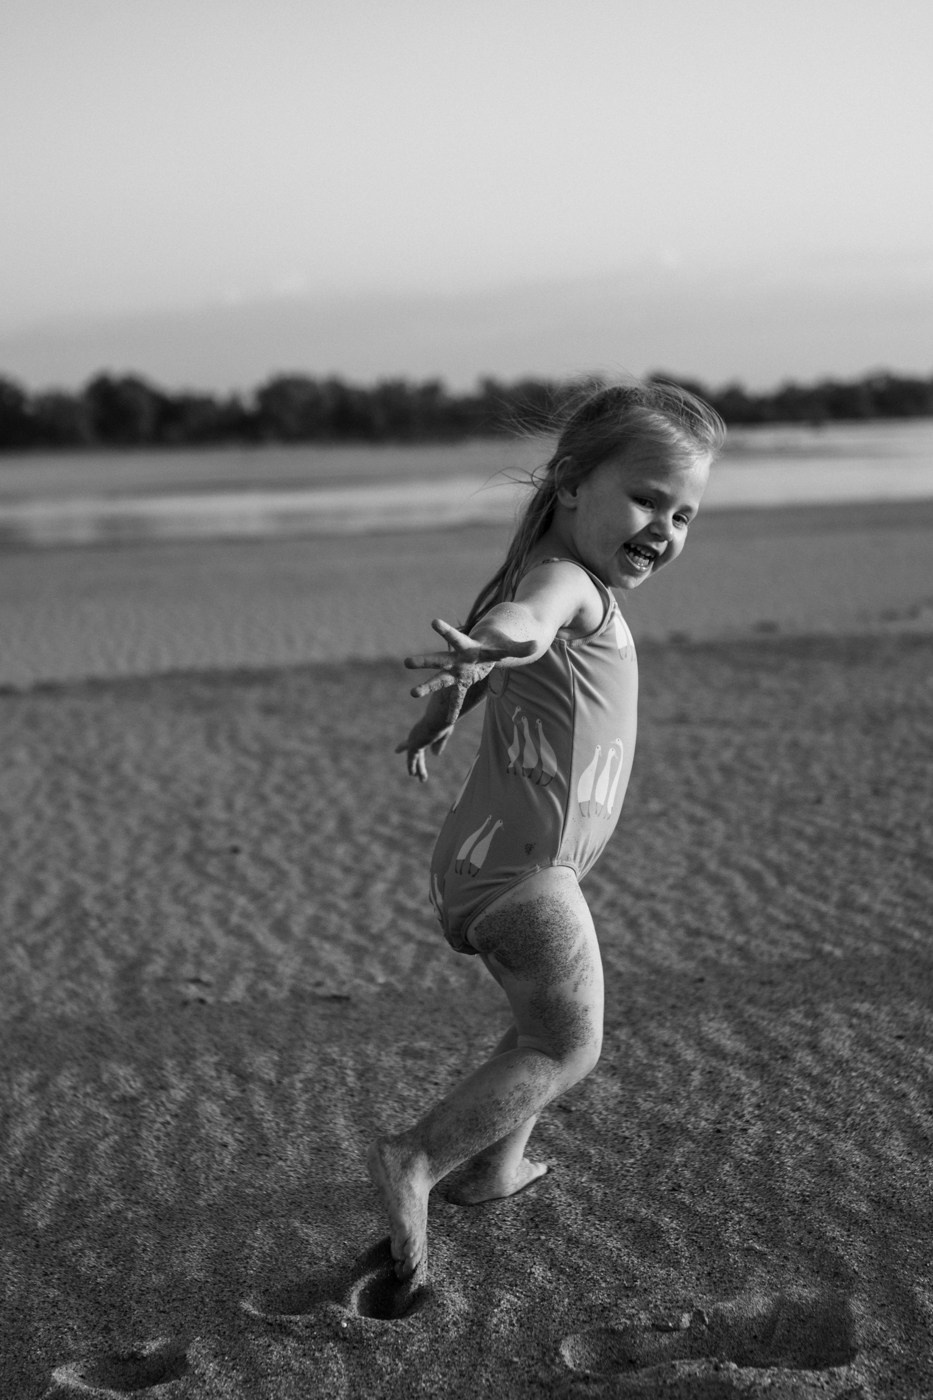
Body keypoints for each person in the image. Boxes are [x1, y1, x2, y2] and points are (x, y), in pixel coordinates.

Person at [368, 379, 725, 1286]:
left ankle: (494, 1168)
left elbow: (515, 651)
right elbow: (526, 626)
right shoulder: (564, 583)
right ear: (569, 483)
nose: (663, 527)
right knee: (569, 1046)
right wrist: (497, 642)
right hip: (524, 873)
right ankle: (416, 1157)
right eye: (645, 498)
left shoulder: (568, 579)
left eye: (683, 513)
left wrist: (453, 699)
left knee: (539, 1026)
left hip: (500, 861)